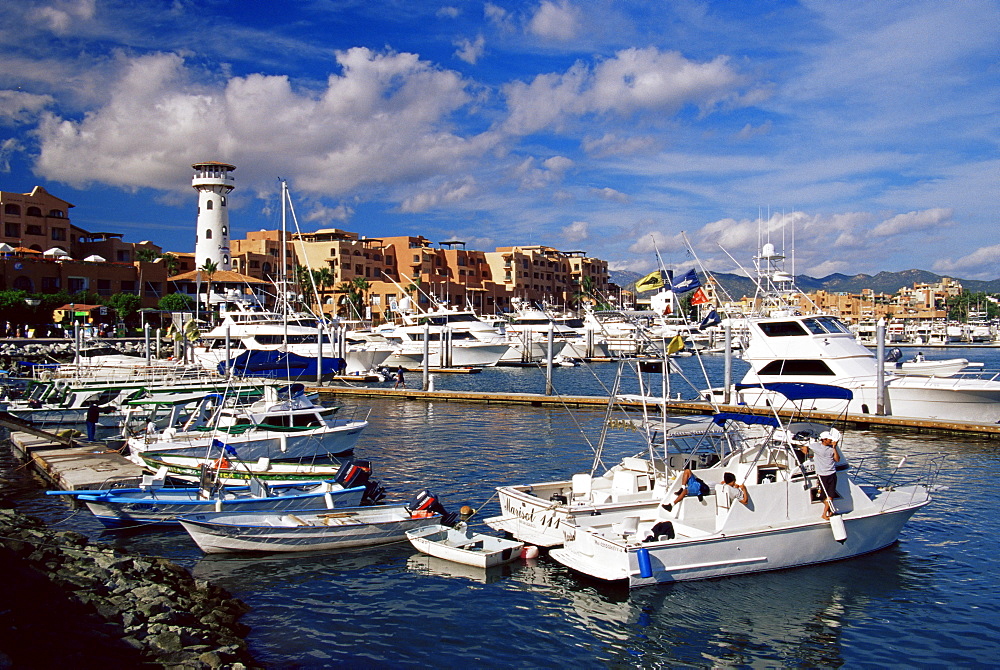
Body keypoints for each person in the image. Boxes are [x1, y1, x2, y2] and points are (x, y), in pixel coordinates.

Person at [808, 428, 842, 520]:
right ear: (824, 439)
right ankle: (826, 512)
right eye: (829, 439)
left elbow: (837, 459)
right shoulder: (818, 448)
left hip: (831, 473)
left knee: (830, 495)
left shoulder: (830, 449)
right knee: (827, 496)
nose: (831, 440)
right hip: (822, 475)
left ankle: (826, 512)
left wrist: (834, 448)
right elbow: (805, 447)